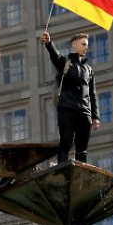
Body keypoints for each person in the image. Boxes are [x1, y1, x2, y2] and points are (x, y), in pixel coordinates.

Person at [41, 31, 100, 163]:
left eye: (87, 45)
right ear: (74, 44)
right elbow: (55, 56)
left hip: (85, 113)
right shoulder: (65, 63)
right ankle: (62, 171)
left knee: (82, 149)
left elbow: (92, 94)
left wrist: (95, 117)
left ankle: (81, 175)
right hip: (67, 110)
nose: (86, 47)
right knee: (65, 143)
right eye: (83, 44)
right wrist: (49, 43)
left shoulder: (89, 69)